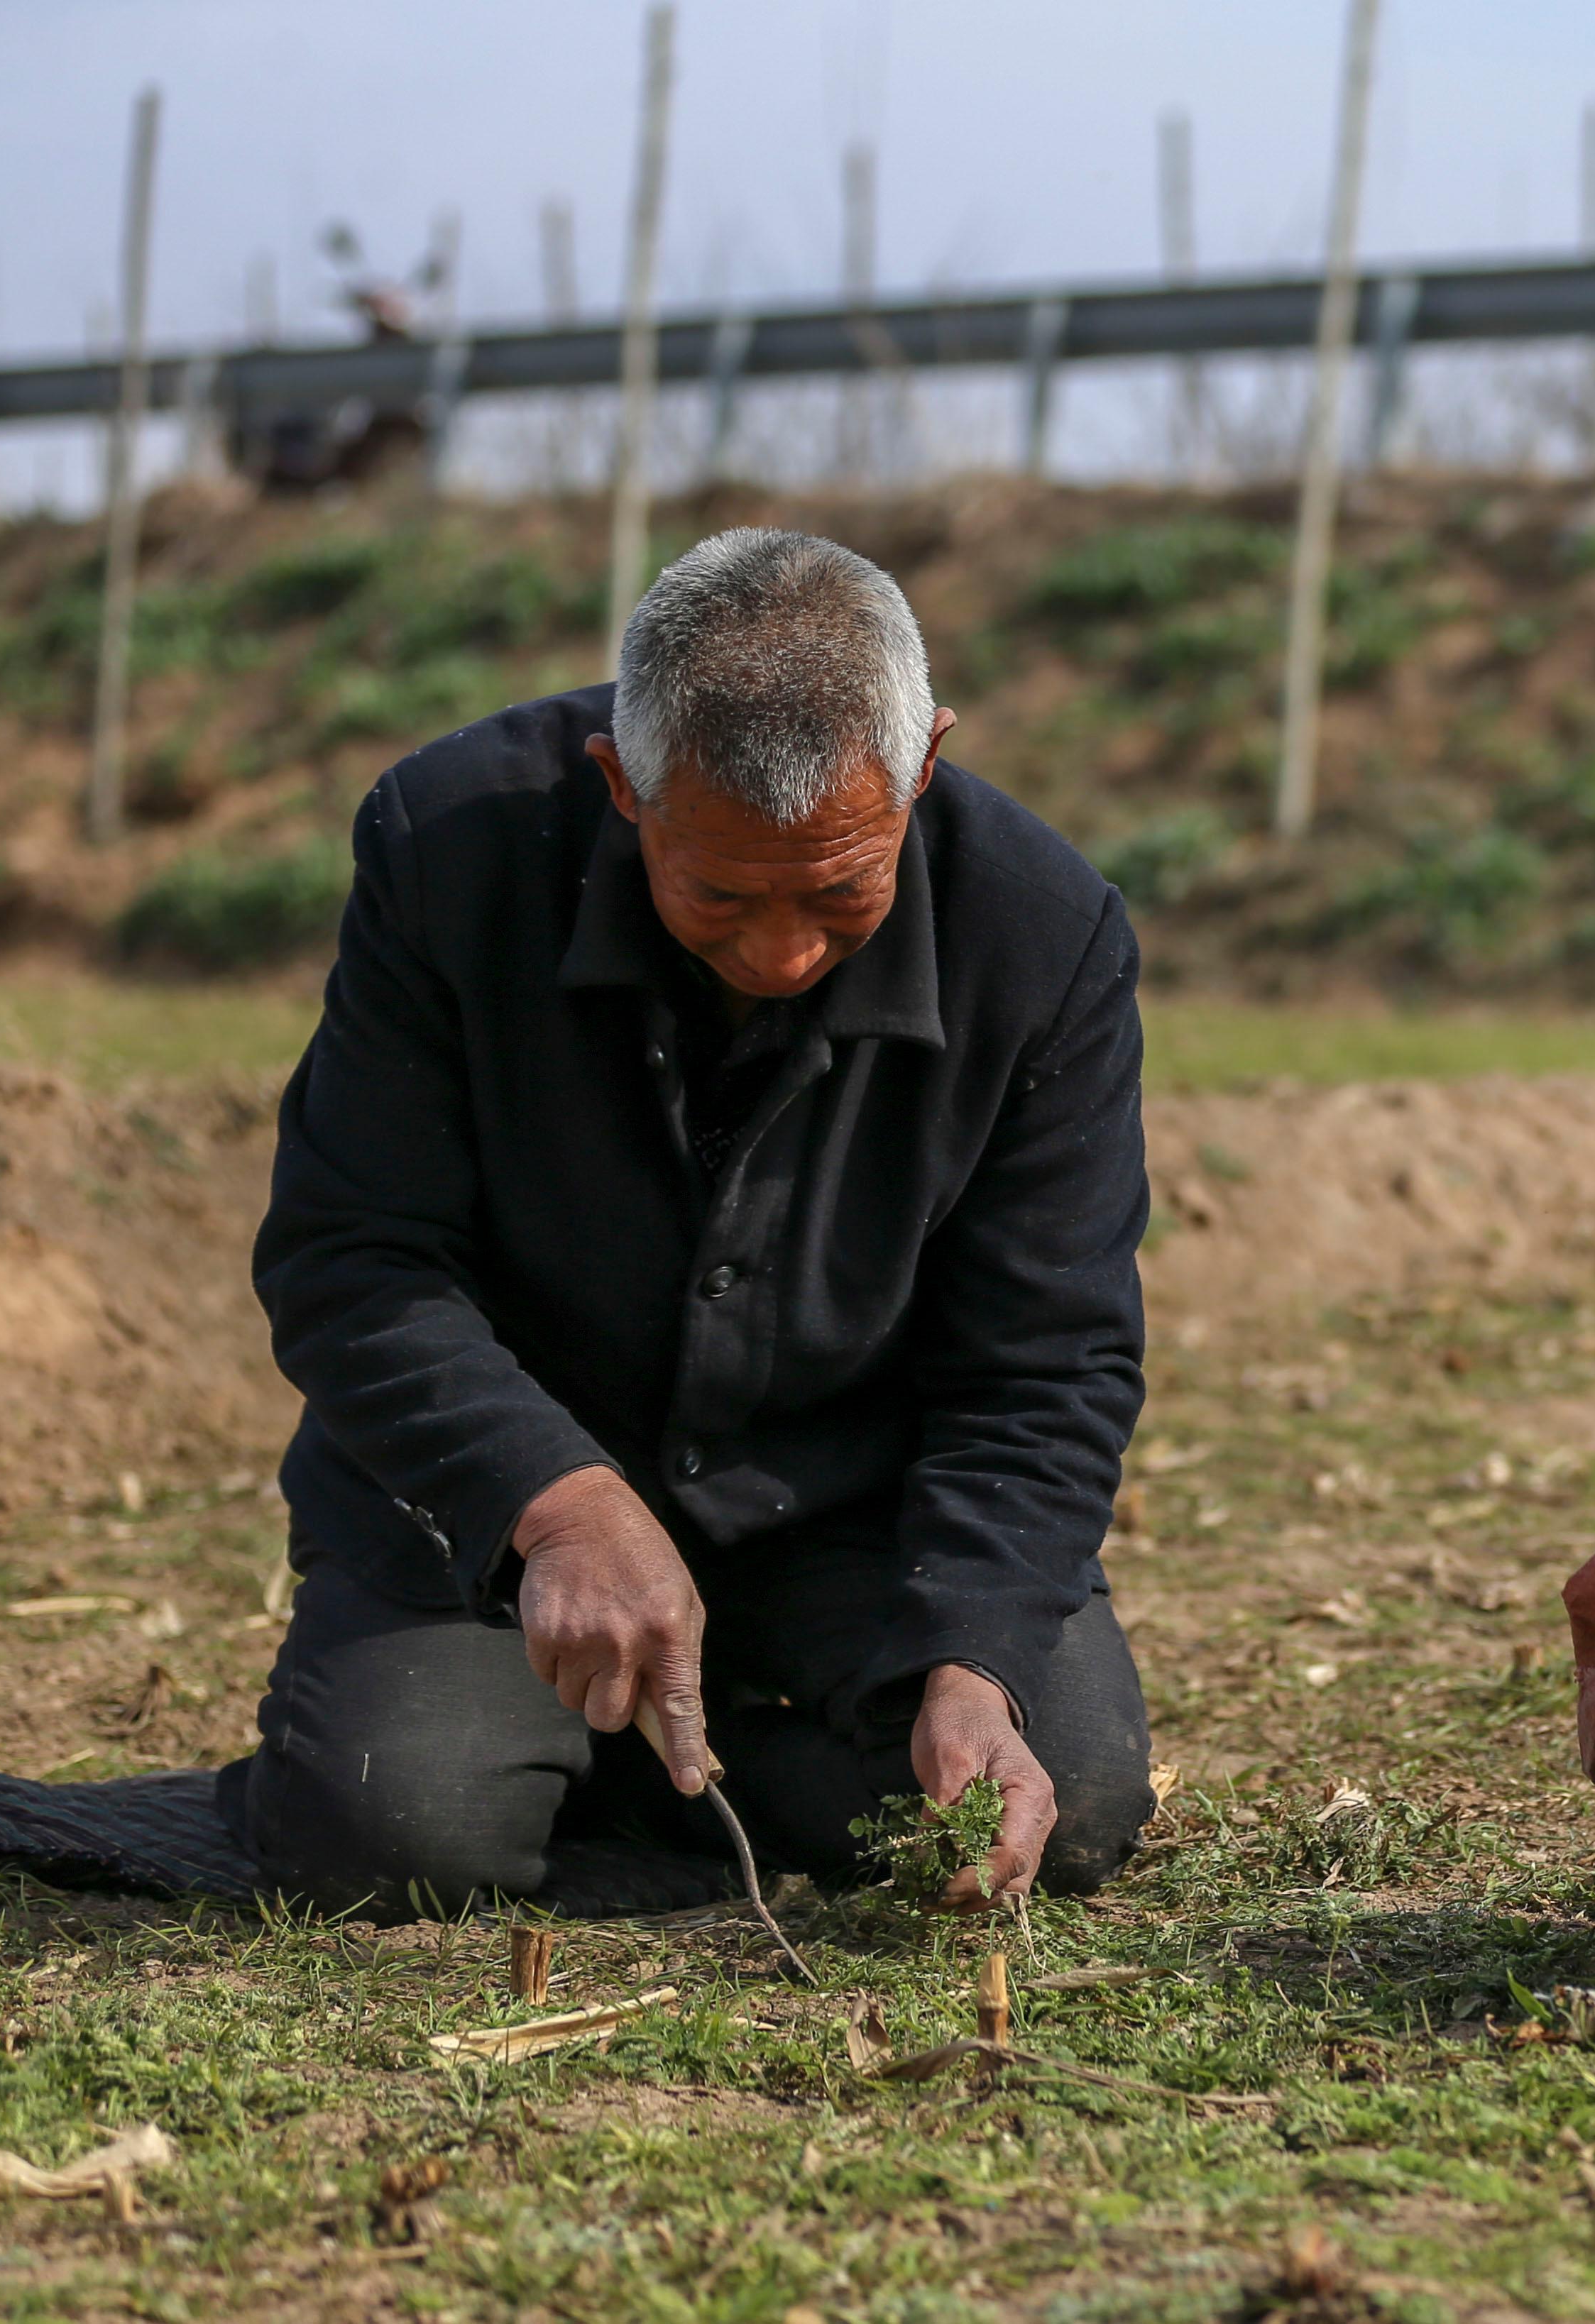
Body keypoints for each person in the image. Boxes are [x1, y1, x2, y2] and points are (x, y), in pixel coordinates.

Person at [224, 527, 1155, 1915]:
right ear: (622, 784)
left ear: (925, 769)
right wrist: (560, 1500)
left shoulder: (1047, 934)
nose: (781, 952)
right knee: (395, 1822)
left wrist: (971, 1660)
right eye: (718, 891)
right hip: (501, 1507)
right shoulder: (446, 853)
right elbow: (354, 1256)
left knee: (1054, 1789)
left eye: (841, 890)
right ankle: (549, 1750)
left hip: (844, 1510)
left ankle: (628, 1767)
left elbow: (1049, 1354)